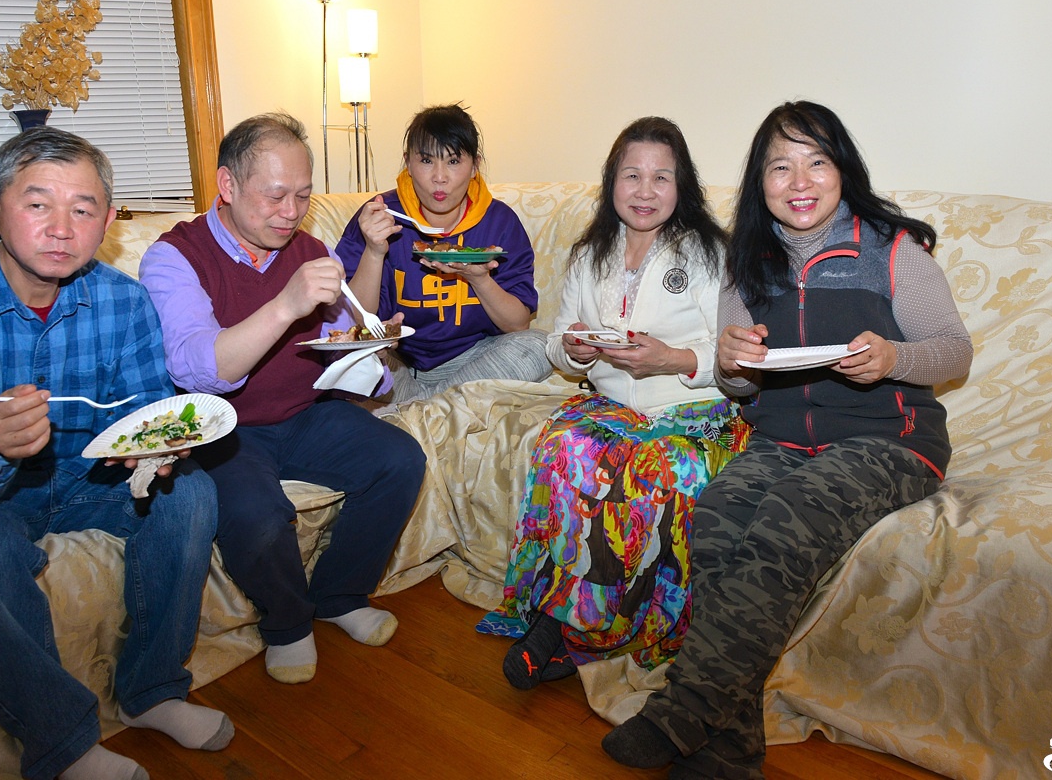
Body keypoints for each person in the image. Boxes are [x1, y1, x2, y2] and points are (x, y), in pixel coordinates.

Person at [600, 101, 974, 779]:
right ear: (760, 181)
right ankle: (733, 746)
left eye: (817, 162)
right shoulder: (747, 263)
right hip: (780, 440)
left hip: (889, 442)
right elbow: (739, 388)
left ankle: (685, 709)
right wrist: (732, 363)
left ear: (842, 171)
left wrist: (895, 358)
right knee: (715, 516)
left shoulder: (891, 251)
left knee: (788, 515)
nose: (800, 181)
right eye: (781, 167)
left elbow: (953, 351)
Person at [0, 127, 231, 780]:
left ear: (108, 219)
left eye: (83, 208)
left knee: (189, 492)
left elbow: (143, 414)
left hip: (86, 477)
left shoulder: (124, 301)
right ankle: (62, 741)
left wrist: (157, 446)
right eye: (38, 204)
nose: (62, 229)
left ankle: (153, 690)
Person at [139, 111, 425, 686]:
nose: (291, 212)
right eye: (275, 196)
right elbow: (198, 368)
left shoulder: (307, 247)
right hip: (222, 428)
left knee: (400, 460)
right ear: (227, 185)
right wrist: (285, 306)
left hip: (303, 412)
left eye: (302, 195)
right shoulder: (174, 256)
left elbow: (342, 330)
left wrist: (369, 340)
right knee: (257, 513)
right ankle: (288, 623)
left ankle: (340, 595)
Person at [476, 116, 750, 689]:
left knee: (657, 472)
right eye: (632, 175)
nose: (645, 191)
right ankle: (561, 620)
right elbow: (558, 342)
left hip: (694, 413)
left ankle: (584, 632)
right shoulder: (590, 253)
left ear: (681, 186)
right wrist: (574, 349)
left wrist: (670, 359)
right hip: (612, 408)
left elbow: (734, 353)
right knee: (563, 447)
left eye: (661, 177)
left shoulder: (710, 253)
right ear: (612, 182)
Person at [336, 103, 551, 403]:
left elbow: (517, 325)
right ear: (407, 163)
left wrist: (479, 279)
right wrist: (374, 251)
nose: (439, 177)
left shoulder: (499, 222)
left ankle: (419, 408)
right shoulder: (379, 217)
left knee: (541, 346)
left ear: (475, 166)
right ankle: (444, 408)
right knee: (350, 358)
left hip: (472, 361)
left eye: (453, 161)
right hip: (397, 362)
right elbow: (352, 324)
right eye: (426, 160)